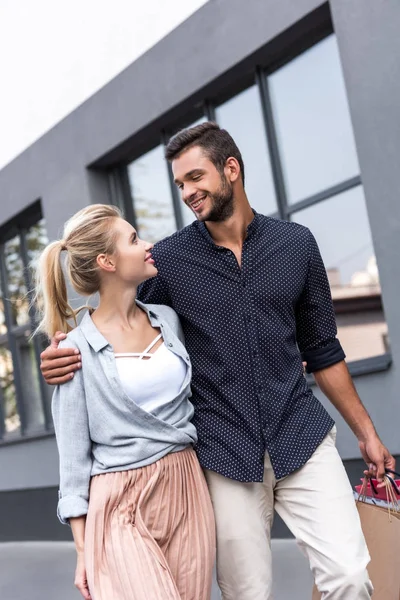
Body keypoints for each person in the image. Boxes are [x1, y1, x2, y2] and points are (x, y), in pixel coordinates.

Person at [41, 123, 395, 600]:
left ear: (231, 169)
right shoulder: (166, 264)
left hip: (301, 436)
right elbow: (117, 318)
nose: (187, 192)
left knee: (350, 576)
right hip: (224, 453)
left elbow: (324, 350)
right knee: (246, 593)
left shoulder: (296, 245)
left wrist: (368, 435)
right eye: (179, 184)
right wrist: (61, 356)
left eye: (194, 178)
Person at [34, 204, 215, 600]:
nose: (147, 244)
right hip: (119, 501)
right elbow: (73, 461)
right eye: (134, 239)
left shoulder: (168, 320)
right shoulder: (74, 350)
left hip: (187, 487)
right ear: (107, 261)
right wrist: (83, 549)